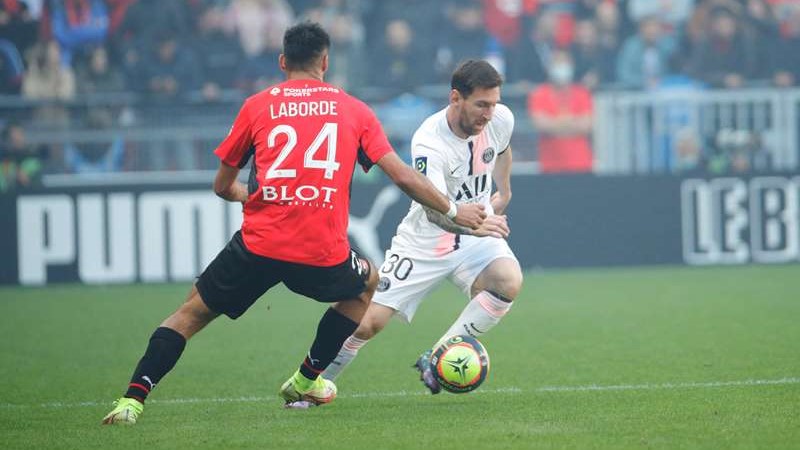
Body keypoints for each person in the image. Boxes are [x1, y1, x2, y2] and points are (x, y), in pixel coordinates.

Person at [101, 22, 490, 425]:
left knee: (188, 316)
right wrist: (452, 210)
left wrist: (243, 195)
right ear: (325, 61)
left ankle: (131, 401)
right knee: (367, 286)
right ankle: (306, 378)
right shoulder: (355, 110)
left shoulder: (256, 106)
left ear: (283, 62)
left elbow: (221, 185)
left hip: (258, 246)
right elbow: (404, 177)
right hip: (321, 251)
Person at [319, 60, 523, 396]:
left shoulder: (501, 118)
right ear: (455, 98)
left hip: (478, 228)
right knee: (368, 323)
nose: (489, 114)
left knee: (507, 280)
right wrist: (475, 226)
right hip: (427, 239)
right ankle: (311, 384)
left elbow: (502, 148)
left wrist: (505, 190)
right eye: (481, 105)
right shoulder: (429, 141)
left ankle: (438, 355)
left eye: (494, 104)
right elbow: (434, 212)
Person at [528, 50, 594, 173]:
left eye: (565, 62)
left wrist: (555, 124)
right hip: (551, 167)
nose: (562, 66)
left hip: (581, 165)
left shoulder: (582, 93)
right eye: (557, 63)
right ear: (549, 67)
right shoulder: (539, 94)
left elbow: (586, 126)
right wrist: (572, 123)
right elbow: (541, 125)